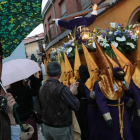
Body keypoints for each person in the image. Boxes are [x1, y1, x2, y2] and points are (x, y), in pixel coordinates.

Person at [94, 40, 134, 140]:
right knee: (113, 134)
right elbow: (101, 102)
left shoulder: (118, 81)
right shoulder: (100, 84)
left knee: (126, 133)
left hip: (122, 111)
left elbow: (129, 92)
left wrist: (123, 81)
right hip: (111, 112)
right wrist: (108, 118)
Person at [39, 61, 80, 140]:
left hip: (46, 126)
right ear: (60, 73)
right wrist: (72, 93)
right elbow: (76, 105)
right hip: (60, 129)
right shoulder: (61, 88)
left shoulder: (41, 87)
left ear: (47, 73)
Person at [7, 73, 41, 140]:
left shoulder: (8, 93)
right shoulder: (24, 89)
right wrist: (36, 78)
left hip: (16, 123)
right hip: (28, 121)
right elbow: (36, 91)